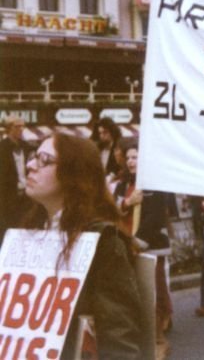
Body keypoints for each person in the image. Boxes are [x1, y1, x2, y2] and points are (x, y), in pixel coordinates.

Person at [24, 133, 142, 358]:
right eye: (33, 157)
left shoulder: (102, 241)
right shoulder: (30, 233)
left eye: (44, 160)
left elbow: (118, 333)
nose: (30, 165)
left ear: (74, 174)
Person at [114, 143, 173, 359]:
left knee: (152, 293)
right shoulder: (122, 185)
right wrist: (128, 202)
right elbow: (113, 208)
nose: (130, 161)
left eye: (136, 157)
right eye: (128, 157)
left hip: (149, 248)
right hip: (127, 246)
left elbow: (156, 218)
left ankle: (159, 341)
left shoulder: (155, 185)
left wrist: (137, 243)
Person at [0, 115, 27, 242]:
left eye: (23, 126)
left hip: (26, 196)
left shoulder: (26, 146)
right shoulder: (2, 148)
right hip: (7, 197)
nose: (21, 129)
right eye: (17, 126)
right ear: (9, 128)